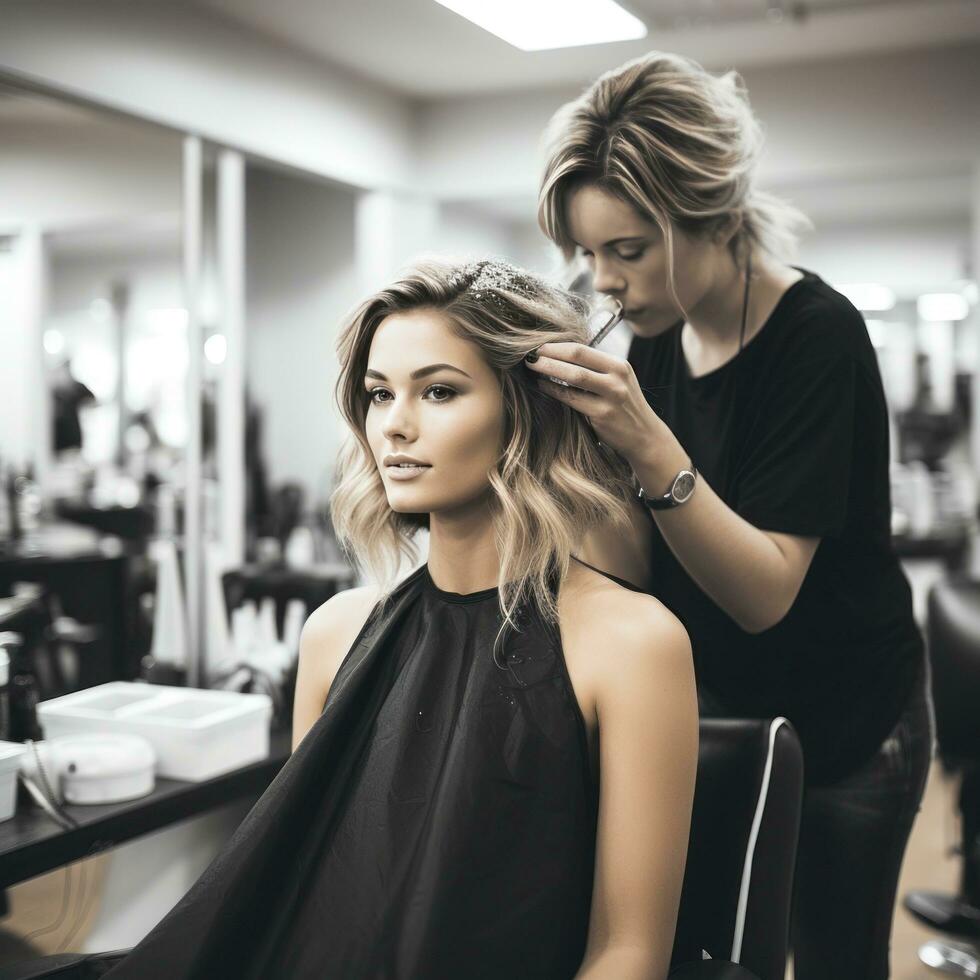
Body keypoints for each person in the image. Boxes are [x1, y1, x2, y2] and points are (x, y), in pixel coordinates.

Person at [104, 259, 697, 980]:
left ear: (529, 409)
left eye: (439, 391)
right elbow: (312, 897)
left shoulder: (632, 646)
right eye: (379, 394)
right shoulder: (335, 634)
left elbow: (627, 953)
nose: (395, 425)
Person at [532, 51, 932, 980]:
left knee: (834, 962)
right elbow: (639, 559)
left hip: (848, 726)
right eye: (590, 255)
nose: (607, 285)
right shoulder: (654, 337)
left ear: (709, 217)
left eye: (628, 251)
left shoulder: (815, 336)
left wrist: (645, 442)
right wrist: (569, 469)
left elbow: (763, 593)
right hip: (721, 713)